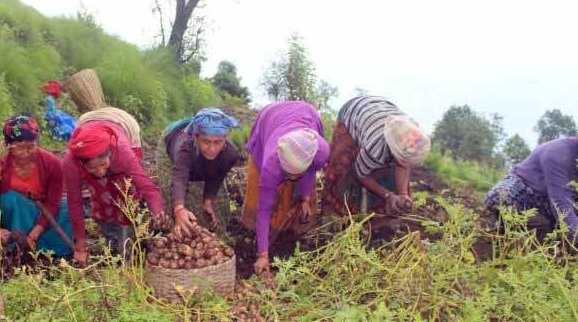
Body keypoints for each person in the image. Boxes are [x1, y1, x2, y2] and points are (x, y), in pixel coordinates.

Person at [63, 109, 167, 265]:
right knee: (100, 194)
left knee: (127, 193)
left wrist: (158, 212)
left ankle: (129, 244)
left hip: (124, 123)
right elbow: (74, 203)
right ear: (82, 163)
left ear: (109, 154)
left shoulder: (123, 152)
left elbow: (146, 186)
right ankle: (110, 240)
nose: (99, 172)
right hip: (89, 122)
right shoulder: (71, 162)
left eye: (103, 164)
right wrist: (80, 246)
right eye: (92, 168)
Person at [241, 101, 330, 277]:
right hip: (269, 118)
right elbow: (263, 210)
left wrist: (305, 198)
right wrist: (263, 254)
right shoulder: (271, 163)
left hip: (305, 113)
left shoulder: (321, 152)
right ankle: (258, 239)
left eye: (297, 173)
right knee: (269, 199)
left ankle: (296, 235)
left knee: (305, 197)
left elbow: (311, 170)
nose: (292, 178)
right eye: (288, 172)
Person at [0, 113, 73, 257]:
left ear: (37, 141)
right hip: (20, 217)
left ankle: (48, 248)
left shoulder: (52, 164)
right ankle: (20, 246)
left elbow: (53, 203)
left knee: (67, 205)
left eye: (31, 147)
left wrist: (34, 234)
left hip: (47, 213)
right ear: (8, 146)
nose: (25, 153)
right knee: (9, 199)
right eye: (19, 147)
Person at [321, 96, 431, 218]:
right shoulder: (375, 148)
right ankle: (334, 215)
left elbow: (403, 165)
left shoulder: (411, 135)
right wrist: (388, 195)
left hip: (380, 108)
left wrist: (402, 195)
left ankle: (379, 216)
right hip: (353, 112)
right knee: (341, 167)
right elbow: (361, 174)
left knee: (385, 173)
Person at [485, 133, 578, 245]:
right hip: (528, 187)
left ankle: (557, 231)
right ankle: (509, 229)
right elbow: (561, 202)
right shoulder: (557, 152)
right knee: (499, 197)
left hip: (565, 195)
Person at [156, 108, 240, 238]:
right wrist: (179, 209)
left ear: (225, 137)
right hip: (171, 143)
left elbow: (216, 177)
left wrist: (208, 201)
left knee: (217, 203)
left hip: (197, 158)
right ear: (195, 137)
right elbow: (180, 178)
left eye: (218, 142)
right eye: (206, 141)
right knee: (173, 195)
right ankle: (175, 235)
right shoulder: (184, 149)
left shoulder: (231, 154)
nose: (212, 148)